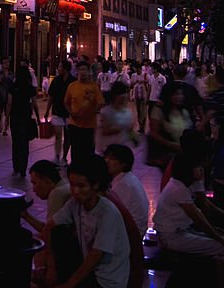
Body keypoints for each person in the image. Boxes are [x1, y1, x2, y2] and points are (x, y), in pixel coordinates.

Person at [153, 153, 224, 288]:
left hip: (180, 232)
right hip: (171, 237)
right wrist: (221, 239)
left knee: (222, 245)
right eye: (198, 167)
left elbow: (199, 216)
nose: (201, 169)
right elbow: (198, 219)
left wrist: (217, 233)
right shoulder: (178, 188)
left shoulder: (184, 184)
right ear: (188, 169)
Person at [46, 153, 130, 288]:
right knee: (59, 232)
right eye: (72, 185)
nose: (75, 191)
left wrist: (68, 285)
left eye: (81, 186)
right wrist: (51, 267)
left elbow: (95, 256)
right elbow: (50, 227)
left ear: (95, 185)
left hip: (105, 281)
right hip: (89, 271)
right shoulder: (75, 203)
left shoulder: (108, 213)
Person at [103, 143, 149, 240]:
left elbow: (114, 214)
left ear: (123, 164)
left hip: (131, 234)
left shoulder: (124, 184)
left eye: (112, 159)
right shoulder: (126, 179)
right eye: (106, 157)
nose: (107, 161)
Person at [64, 60, 104, 163]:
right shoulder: (72, 86)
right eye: (81, 69)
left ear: (89, 71)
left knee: (88, 149)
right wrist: (71, 113)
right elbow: (66, 102)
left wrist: (92, 111)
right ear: (77, 71)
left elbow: (100, 102)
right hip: (75, 124)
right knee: (76, 149)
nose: (83, 72)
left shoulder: (93, 87)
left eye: (85, 69)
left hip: (89, 125)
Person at [146, 82, 191, 172]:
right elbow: (153, 133)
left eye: (181, 94)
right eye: (176, 94)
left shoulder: (184, 111)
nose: (180, 97)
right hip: (168, 156)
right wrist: (171, 144)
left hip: (184, 154)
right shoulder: (159, 111)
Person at [6, 65, 37, 178]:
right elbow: (34, 103)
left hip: (14, 117)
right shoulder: (30, 88)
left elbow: (9, 103)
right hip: (26, 117)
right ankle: (23, 167)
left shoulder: (13, 87)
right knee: (24, 143)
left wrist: (6, 119)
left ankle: (16, 166)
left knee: (16, 142)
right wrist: (38, 117)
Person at [45, 59, 75, 165]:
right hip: (57, 110)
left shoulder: (73, 81)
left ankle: (64, 157)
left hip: (69, 113)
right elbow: (51, 97)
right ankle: (57, 156)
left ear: (65, 68)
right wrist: (47, 110)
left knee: (68, 136)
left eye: (60, 67)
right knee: (58, 135)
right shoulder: (56, 81)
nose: (58, 69)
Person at [96, 81, 136, 154]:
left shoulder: (128, 112)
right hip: (108, 149)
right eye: (122, 95)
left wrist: (134, 138)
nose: (125, 97)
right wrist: (124, 127)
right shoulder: (106, 111)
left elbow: (130, 131)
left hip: (123, 147)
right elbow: (106, 130)